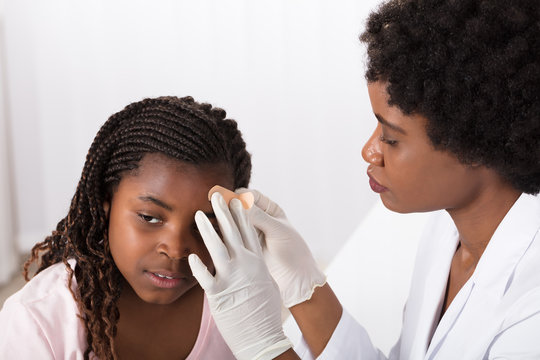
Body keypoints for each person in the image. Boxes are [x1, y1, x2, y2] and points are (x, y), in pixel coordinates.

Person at [187, 0, 540, 359]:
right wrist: (305, 287)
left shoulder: (531, 313)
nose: (370, 151)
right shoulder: (447, 233)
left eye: (391, 138)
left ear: (475, 143)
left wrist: (262, 346)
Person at [0, 96, 252, 359]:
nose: (177, 249)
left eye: (204, 226)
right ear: (106, 202)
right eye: (149, 218)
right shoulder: (38, 321)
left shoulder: (243, 304)